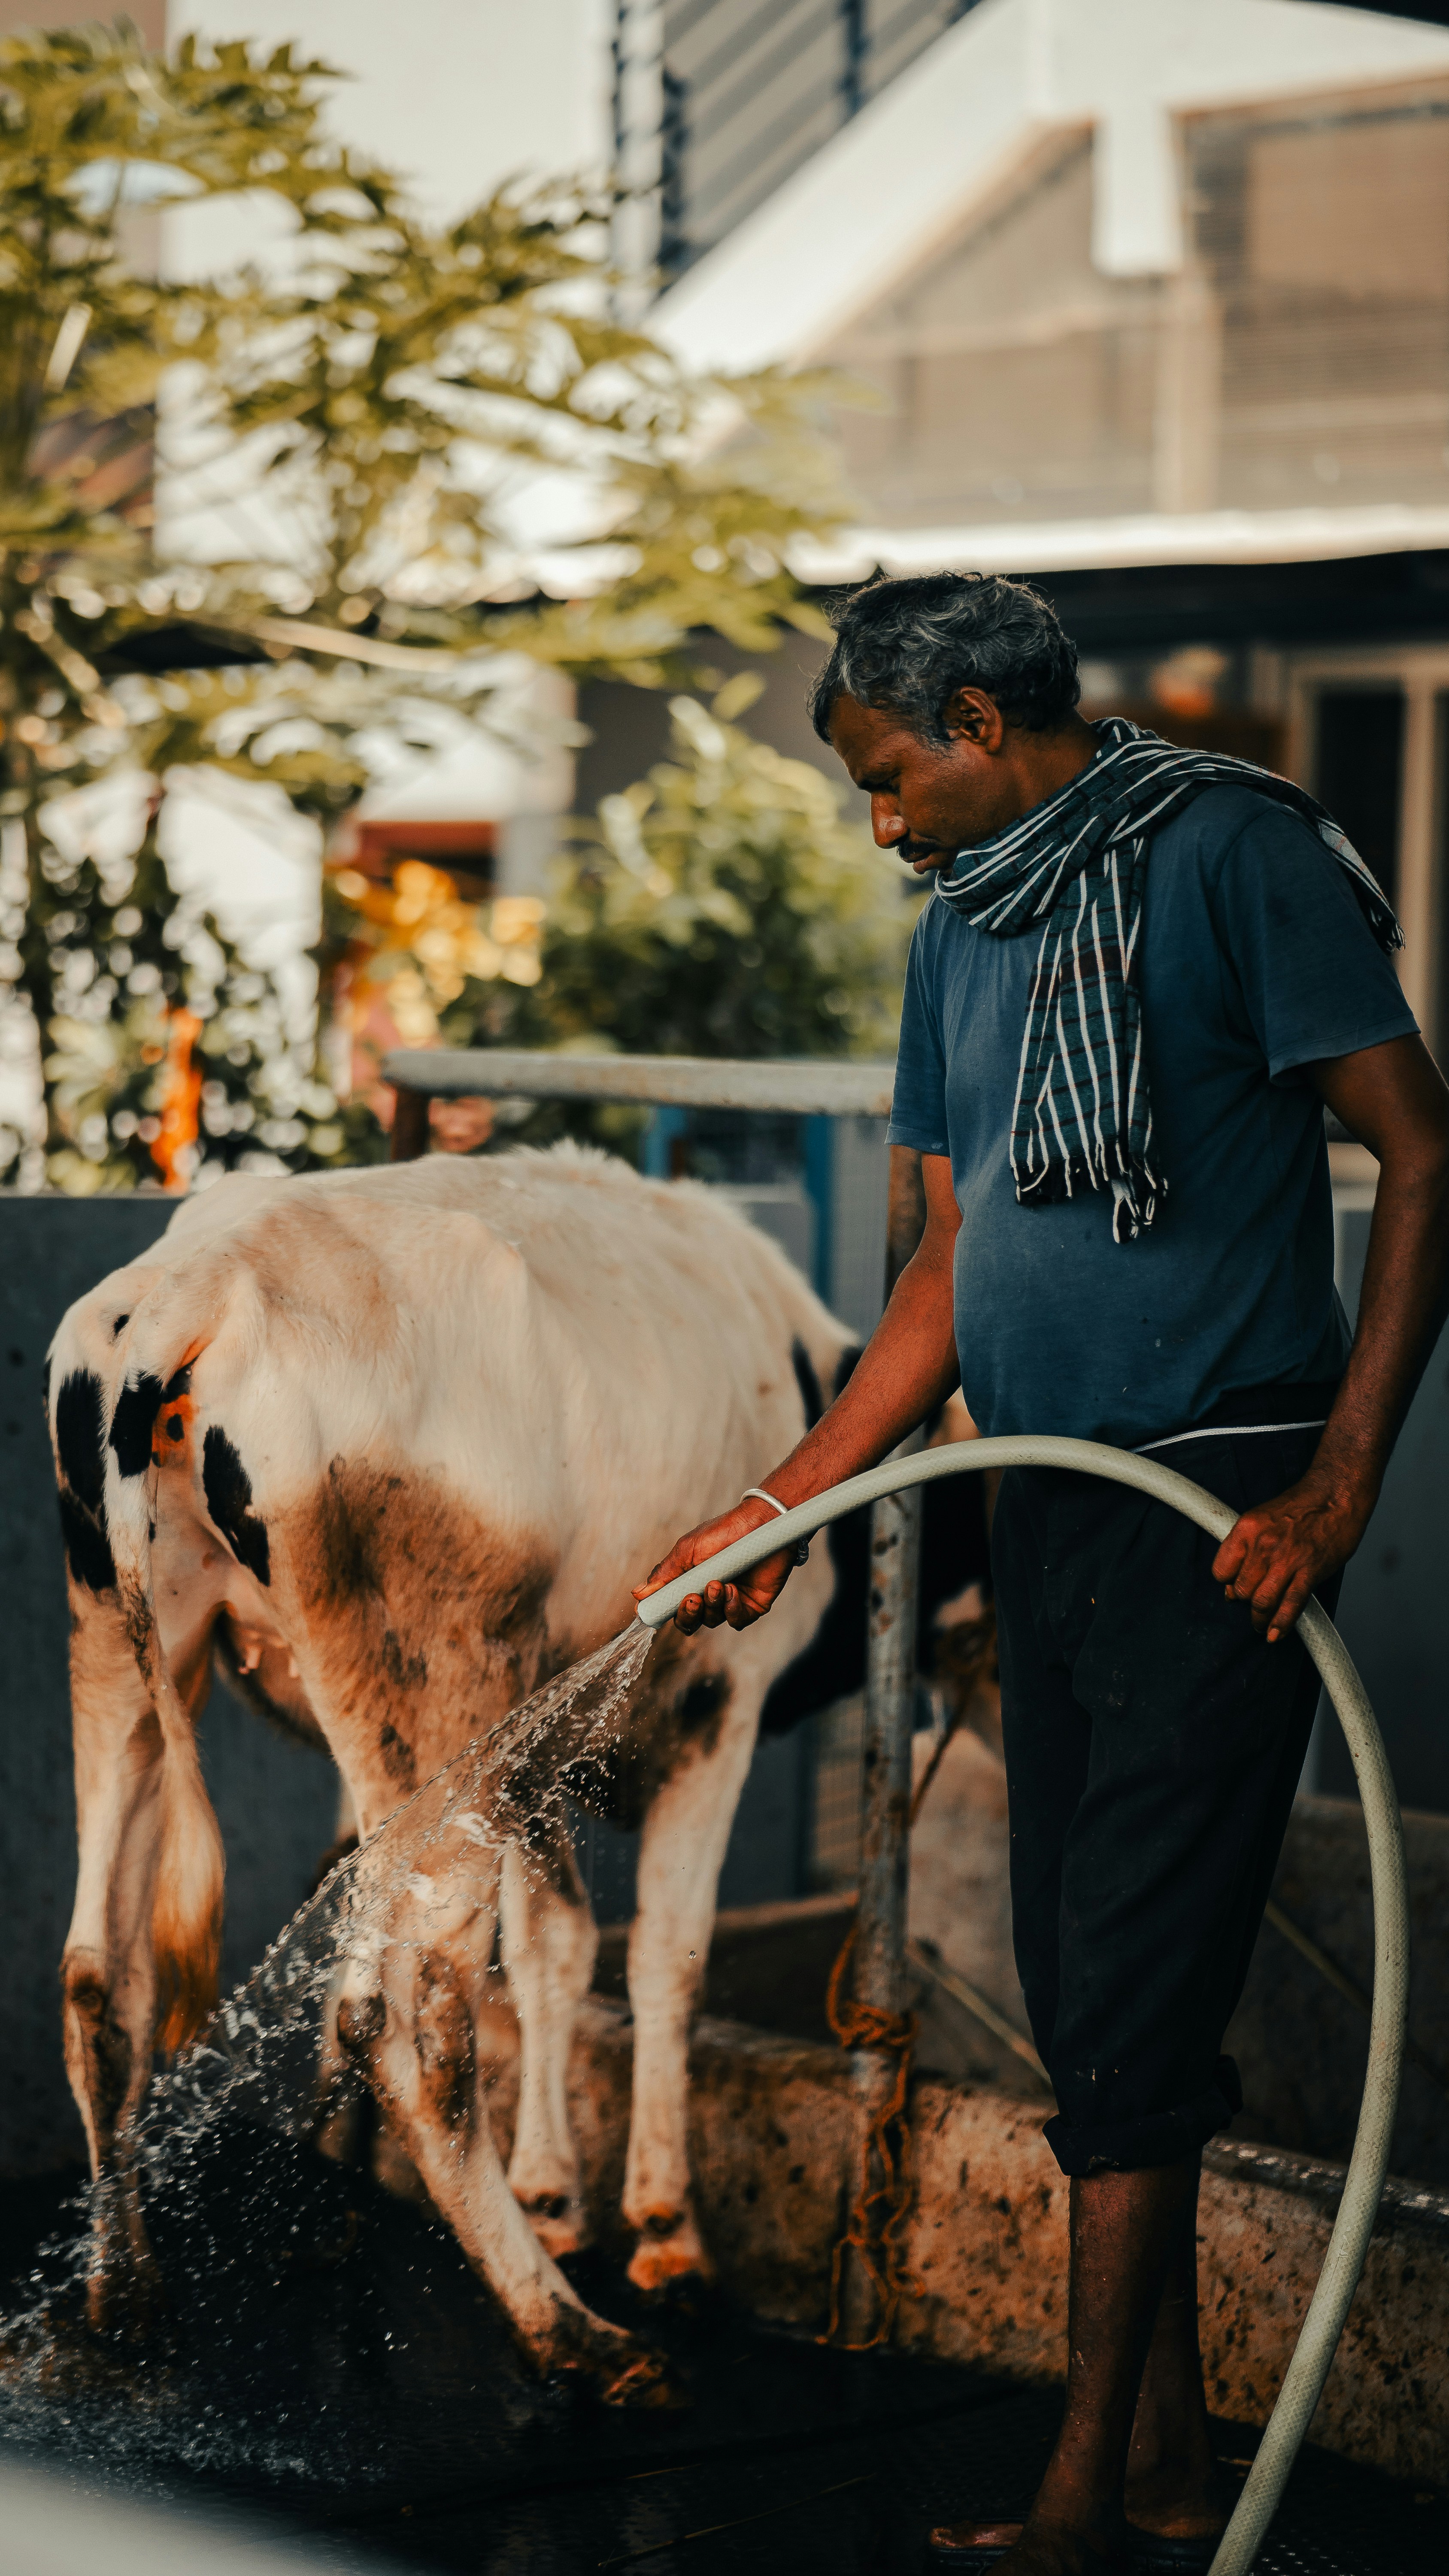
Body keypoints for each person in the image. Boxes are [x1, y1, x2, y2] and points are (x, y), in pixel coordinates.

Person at [634, 572, 1449, 2576]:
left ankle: (1085, 2500)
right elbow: (943, 1271)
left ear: (988, 721)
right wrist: (780, 1508)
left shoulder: (1236, 858)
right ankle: (1162, 2469)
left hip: (1221, 1502)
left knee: (1136, 1991)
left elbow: (1425, 1156)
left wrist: (1339, 1488)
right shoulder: (963, 932)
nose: (880, 822)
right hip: (1056, 1494)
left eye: (894, 776)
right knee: (1098, 1987)